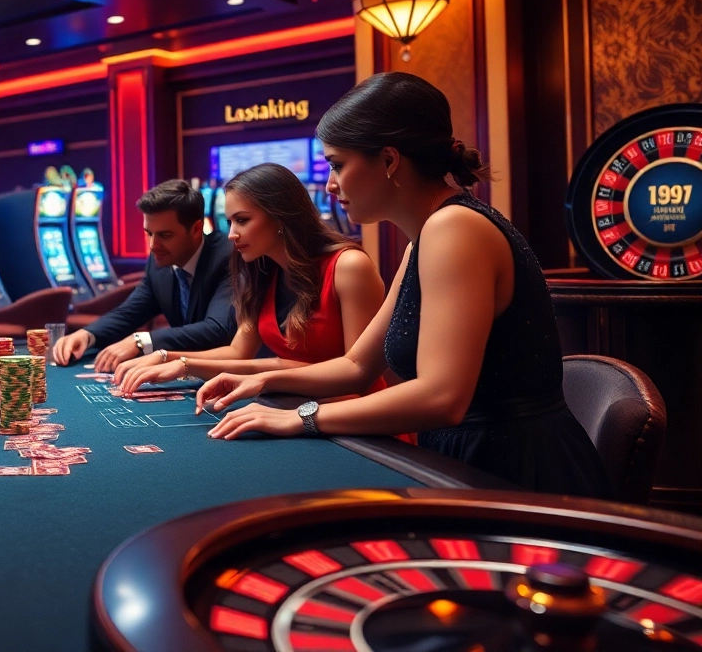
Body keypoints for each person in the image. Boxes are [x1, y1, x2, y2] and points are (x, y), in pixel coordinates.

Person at [196, 72, 609, 498]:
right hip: (463, 458)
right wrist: (264, 382)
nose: (331, 183)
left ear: (390, 160)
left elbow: (441, 397)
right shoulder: (424, 241)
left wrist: (302, 416)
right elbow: (358, 365)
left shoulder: (455, 228)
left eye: (338, 164)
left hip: (514, 475)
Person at [111, 163, 384, 395]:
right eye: (229, 222)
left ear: (280, 216)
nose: (231, 234)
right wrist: (172, 360)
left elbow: (357, 371)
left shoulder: (348, 266)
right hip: (295, 406)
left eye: (242, 220)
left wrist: (261, 379)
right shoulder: (263, 272)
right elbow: (238, 352)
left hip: (356, 422)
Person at [51, 180, 236, 373]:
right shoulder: (159, 266)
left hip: (231, 378)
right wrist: (87, 334)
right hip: (187, 373)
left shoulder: (227, 257)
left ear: (197, 229)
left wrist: (142, 341)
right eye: (149, 234)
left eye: (165, 235)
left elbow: (217, 329)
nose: (153, 246)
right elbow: (129, 313)